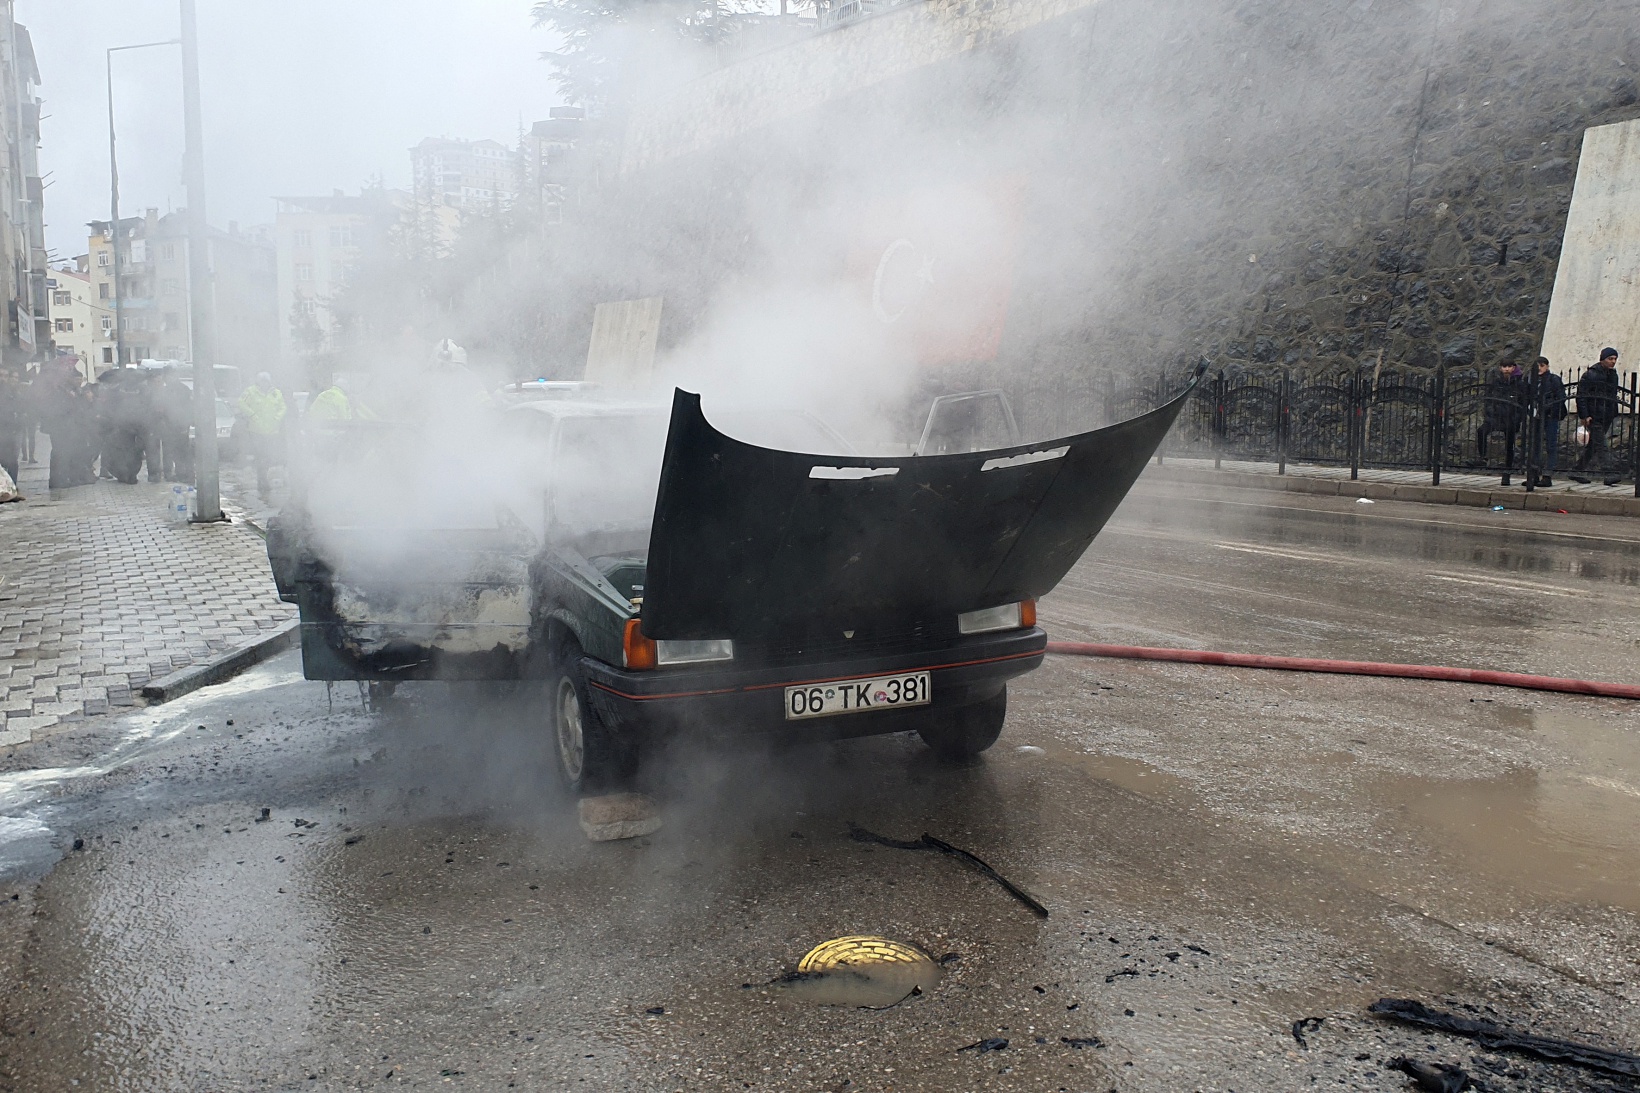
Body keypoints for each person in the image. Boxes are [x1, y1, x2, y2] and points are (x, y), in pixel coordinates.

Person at [1570, 347, 1622, 486]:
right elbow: (1581, 396)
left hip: (1607, 414)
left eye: (1615, 359)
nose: (1613, 362)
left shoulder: (1613, 375)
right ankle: (1609, 473)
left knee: (1593, 444)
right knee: (1601, 445)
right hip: (1595, 415)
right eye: (1610, 359)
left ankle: (1577, 470)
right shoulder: (1591, 374)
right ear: (1603, 359)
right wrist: (1585, 415)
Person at [237, 371, 287, 495]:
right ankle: (262, 482)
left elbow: (283, 407)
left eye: (267, 381)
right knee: (261, 457)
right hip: (257, 431)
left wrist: (277, 418)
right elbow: (241, 403)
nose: (265, 384)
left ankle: (264, 480)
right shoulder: (250, 392)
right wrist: (252, 415)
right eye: (262, 381)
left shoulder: (276, 393)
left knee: (268, 457)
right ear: (258, 382)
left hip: (272, 431)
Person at [1477, 359, 1526, 470]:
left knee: (1509, 442)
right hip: (1495, 417)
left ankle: (1508, 466)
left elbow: (1523, 403)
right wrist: (1490, 412)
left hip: (1511, 418)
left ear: (1513, 368)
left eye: (1509, 366)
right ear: (1500, 368)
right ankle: (1482, 457)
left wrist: (1517, 418)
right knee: (1481, 431)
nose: (1506, 369)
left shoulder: (1519, 384)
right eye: (1504, 367)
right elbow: (1488, 399)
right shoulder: (1496, 383)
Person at [1526, 356, 1567, 487]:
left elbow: (1560, 398)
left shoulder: (1553, 379)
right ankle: (1534, 474)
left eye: (1542, 365)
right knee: (1535, 445)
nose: (1539, 368)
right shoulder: (1530, 380)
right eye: (1537, 365)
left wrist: (1547, 407)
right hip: (1536, 416)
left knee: (1551, 444)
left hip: (1550, 416)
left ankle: (1547, 475)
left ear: (1547, 366)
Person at [0, 368, 21, 485]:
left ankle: (12, 486)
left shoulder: (12, 392)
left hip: (10, 431)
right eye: (1, 375)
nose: (3, 379)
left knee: (12, 461)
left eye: (6, 376)